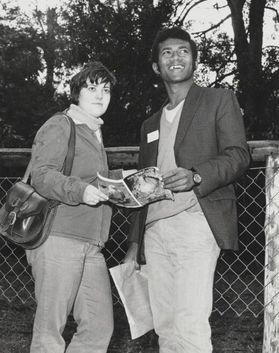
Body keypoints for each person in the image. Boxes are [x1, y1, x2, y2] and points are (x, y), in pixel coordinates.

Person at [125, 27, 250, 353]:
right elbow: (142, 187)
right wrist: (133, 245)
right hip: (154, 231)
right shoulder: (149, 125)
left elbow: (238, 155)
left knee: (190, 324)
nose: (175, 57)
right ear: (156, 67)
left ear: (194, 60)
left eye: (183, 50)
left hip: (196, 222)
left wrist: (197, 176)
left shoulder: (218, 100)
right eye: (167, 52)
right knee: (165, 327)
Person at [26, 61, 129, 353]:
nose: (100, 95)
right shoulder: (62, 124)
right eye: (91, 87)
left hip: (91, 244)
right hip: (58, 237)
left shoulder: (94, 132)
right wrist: (81, 191)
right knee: (50, 331)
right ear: (76, 93)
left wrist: (129, 185)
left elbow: (92, 180)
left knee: (98, 328)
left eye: (106, 89)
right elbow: (42, 175)